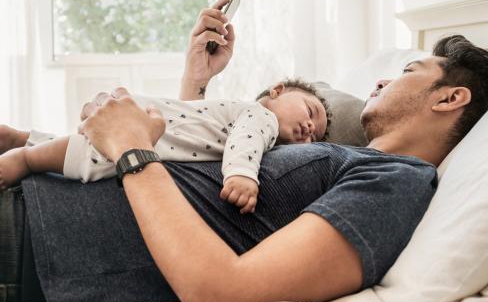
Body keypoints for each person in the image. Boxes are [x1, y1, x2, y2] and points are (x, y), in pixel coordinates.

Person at [2, 0, 488, 302]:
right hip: (37, 195)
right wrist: (196, 79)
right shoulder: (336, 155)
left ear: (449, 99)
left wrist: (133, 150)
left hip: (33, 240)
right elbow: (202, 163)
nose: (380, 81)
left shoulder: (398, 182)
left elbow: (224, 294)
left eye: (408, 69)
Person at [0, 78, 330, 214]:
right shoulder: (262, 118)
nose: (310, 129)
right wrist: (242, 175)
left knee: (86, 144)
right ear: (278, 90)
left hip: (153, 119)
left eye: (316, 135)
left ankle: (23, 137)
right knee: (96, 158)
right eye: (310, 111)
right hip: (153, 133)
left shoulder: (242, 115)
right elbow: (247, 141)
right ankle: (27, 158)